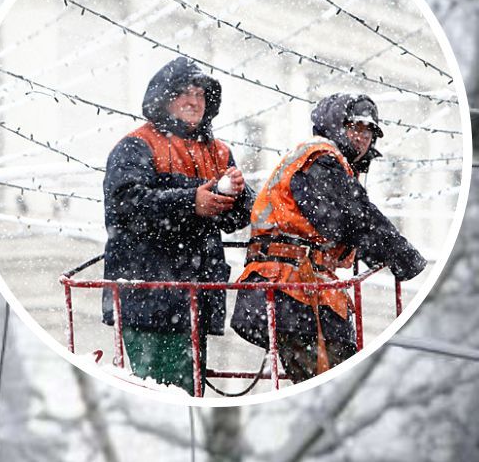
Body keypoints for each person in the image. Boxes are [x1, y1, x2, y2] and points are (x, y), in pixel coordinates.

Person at [230, 93, 427, 382]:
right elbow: (350, 218)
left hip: (307, 290)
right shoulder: (320, 158)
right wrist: (403, 256)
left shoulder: (333, 165)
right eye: (355, 128)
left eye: (368, 132)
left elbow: (348, 219)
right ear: (335, 125)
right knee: (328, 381)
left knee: (339, 378)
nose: (362, 138)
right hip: (287, 286)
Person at [102, 57, 255, 394]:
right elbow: (128, 205)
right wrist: (193, 203)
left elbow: (237, 216)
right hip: (149, 297)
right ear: (163, 98)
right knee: (164, 392)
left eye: (200, 94)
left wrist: (239, 195)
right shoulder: (137, 144)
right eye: (184, 93)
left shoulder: (218, 152)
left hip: (193, 299)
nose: (194, 101)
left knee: (186, 390)